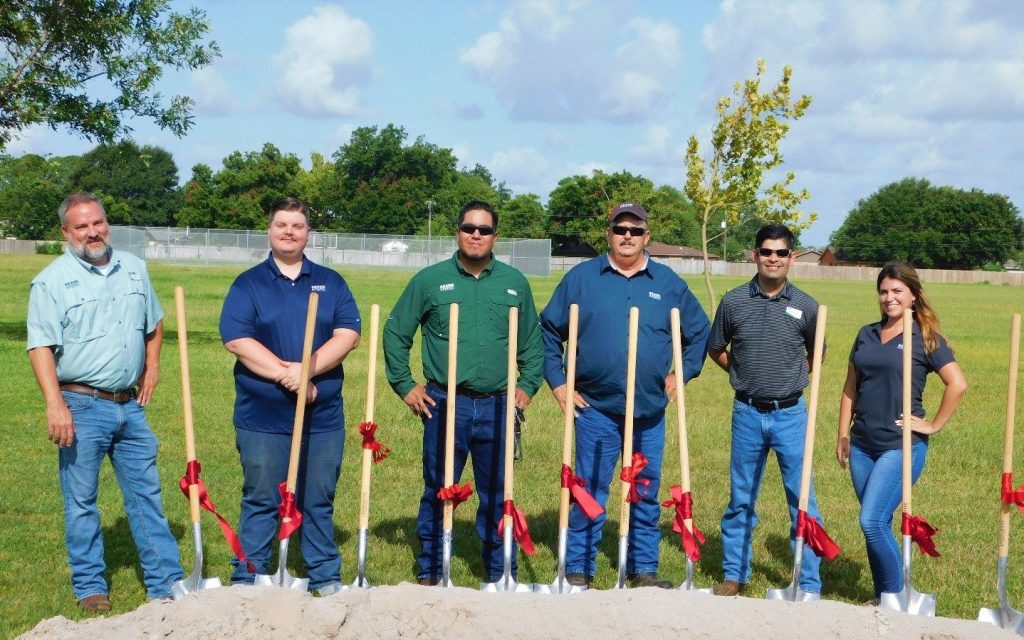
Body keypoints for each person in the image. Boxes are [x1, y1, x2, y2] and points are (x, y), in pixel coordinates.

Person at [539, 202, 710, 588]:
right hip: (596, 408)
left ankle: (643, 568)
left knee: (645, 491)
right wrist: (559, 381)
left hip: (649, 410)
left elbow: (700, 332)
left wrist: (681, 375)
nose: (627, 236)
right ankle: (580, 568)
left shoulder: (668, 284)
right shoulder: (582, 279)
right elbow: (548, 329)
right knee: (588, 486)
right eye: (621, 230)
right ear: (609, 234)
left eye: (635, 230)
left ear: (647, 236)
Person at [27, 193, 183, 611]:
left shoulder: (134, 268)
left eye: (98, 222)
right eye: (82, 226)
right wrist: (53, 404)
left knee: (147, 494)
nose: (93, 232)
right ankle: (90, 585)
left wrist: (152, 366)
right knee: (81, 501)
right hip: (80, 405)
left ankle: (166, 583)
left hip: (129, 406)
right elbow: (40, 346)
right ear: (65, 232)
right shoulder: (51, 281)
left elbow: (155, 321)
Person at [383, 200, 544, 585]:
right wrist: (406, 386)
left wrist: (526, 385)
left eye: (484, 230)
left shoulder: (513, 283)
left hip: (499, 405)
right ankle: (432, 567)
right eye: (469, 227)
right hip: (444, 403)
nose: (476, 235)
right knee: (439, 488)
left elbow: (532, 344)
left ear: (495, 236)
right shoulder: (429, 281)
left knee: (497, 492)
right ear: (457, 232)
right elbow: (396, 332)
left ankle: (499, 570)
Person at [219, 197, 360, 596]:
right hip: (262, 416)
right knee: (262, 497)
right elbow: (237, 339)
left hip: (323, 416)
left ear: (307, 233)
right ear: (270, 230)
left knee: (318, 498)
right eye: (282, 224)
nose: (289, 232)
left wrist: (309, 370)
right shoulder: (249, 283)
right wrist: (290, 375)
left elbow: (348, 335)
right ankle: (248, 576)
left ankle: (325, 576)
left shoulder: (331, 282)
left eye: (297, 226)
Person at [835, 262, 966, 605]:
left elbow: (958, 384)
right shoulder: (865, 334)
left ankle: (896, 597)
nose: (889, 298)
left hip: (901, 446)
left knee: (871, 520)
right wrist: (842, 434)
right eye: (883, 291)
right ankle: (884, 596)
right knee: (877, 523)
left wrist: (933, 424)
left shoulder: (925, 338)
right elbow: (850, 388)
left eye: (897, 291)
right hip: (862, 445)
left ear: (913, 295)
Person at [707, 224, 826, 597]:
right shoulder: (733, 301)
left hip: (791, 415)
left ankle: (807, 581)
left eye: (780, 253)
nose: (772, 259)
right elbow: (716, 348)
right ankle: (734, 574)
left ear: (791, 257)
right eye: (766, 252)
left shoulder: (806, 306)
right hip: (747, 414)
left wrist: (789, 379)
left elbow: (816, 353)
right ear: (754, 255)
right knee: (741, 497)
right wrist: (741, 373)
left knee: (802, 498)